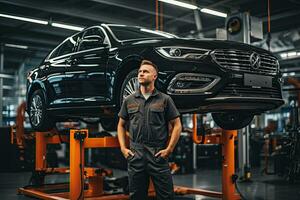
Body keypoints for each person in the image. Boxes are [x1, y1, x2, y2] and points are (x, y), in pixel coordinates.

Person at [117, 59, 182, 200]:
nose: (141, 74)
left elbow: (177, 124)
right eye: (140, 71)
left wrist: (169, 149)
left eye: (145, 71)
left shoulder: (165, 100)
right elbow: (121, 125)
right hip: (136, 154)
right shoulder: (129, 100)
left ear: (154, 76)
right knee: (137, 196)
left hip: (157, 154)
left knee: (166, 196)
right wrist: (123, 148)